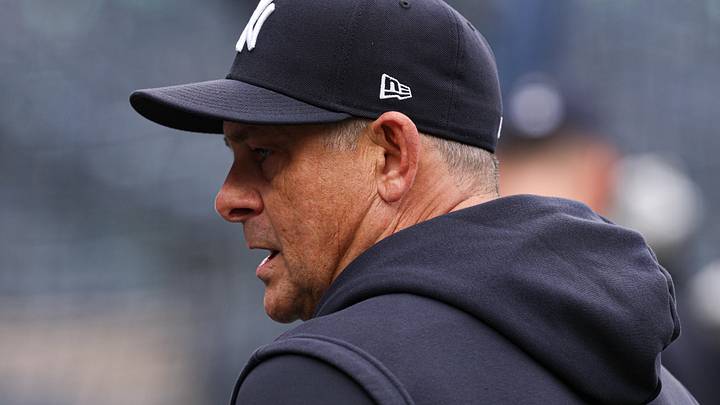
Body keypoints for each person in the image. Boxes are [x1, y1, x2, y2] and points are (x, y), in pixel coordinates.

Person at [129, 0, 697, 403]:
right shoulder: (648, 372)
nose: (229, 198)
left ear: (392, 156)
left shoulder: (325, 377)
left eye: (265, 153)